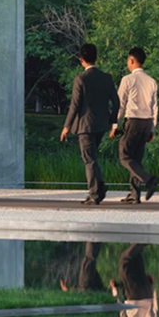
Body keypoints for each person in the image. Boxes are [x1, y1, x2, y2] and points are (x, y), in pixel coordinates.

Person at [61, 43, 120, 206]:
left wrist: (66, 126)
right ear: (96, 58)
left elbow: (75, 105)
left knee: (89, 160)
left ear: (81, 59)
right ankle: (99, 188)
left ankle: (95, 193)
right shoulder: (106, 78)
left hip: (85, 126)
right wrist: (112, 121)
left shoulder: (80, 79)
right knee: (92, 158)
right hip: (101, 125)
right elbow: (116, 103)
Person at [110, 46, 159, 205]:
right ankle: (134, 194)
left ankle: (149, 179)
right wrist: (152, 129)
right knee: (136, 159)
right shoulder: (152, 81)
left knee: (124, 156)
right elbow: (154, 107)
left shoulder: (127, 80)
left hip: (133, 121)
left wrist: (114, 125)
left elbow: (120, 104)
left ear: (132, 60)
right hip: (146, 122)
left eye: (128, 60)